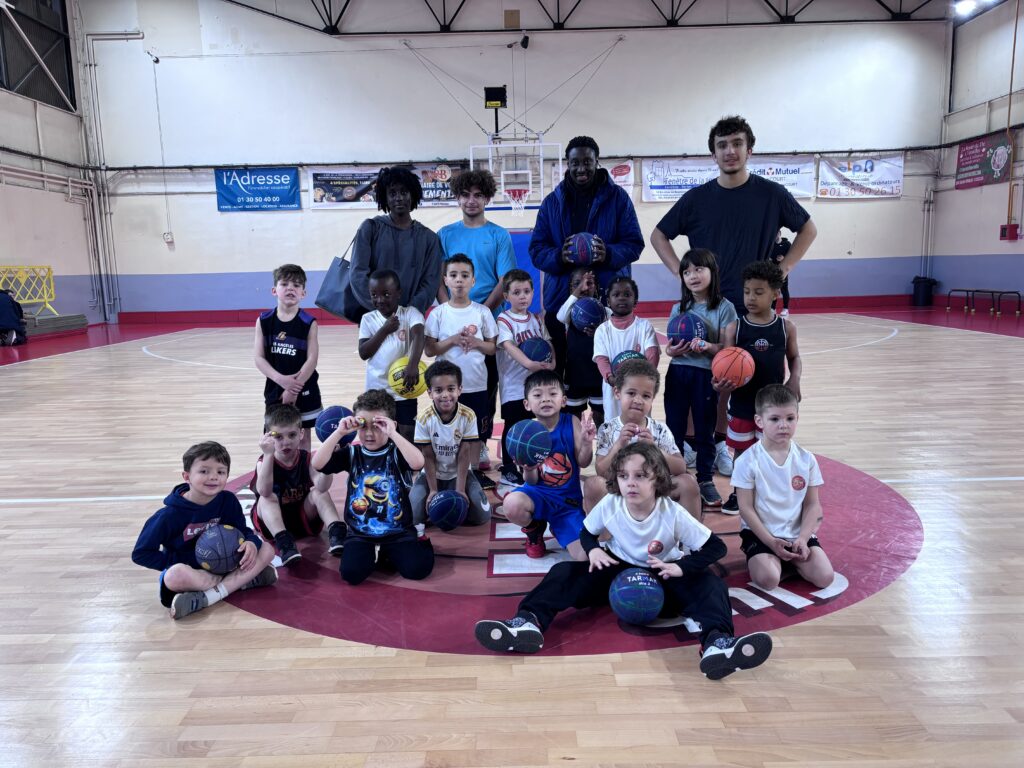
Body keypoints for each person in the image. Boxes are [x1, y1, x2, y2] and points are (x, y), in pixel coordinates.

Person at [475, 442, 773, 680]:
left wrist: (680, 566)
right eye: (624, 476)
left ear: (657, 479)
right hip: (615, 572)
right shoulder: (612, 503)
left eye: (640, 476)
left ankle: (717, 644)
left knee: (710, 584)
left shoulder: (671, 512)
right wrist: (593, 550)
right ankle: (528, 622)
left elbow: (715, 547)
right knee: (564, 571)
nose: (631, 483)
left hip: (662, 574)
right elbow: (587, 532)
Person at [650, 116, 816, 474]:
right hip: (705, 305)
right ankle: (695, 444)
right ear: (713, 154)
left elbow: (808, 229)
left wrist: (783, 269)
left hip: (752, 305)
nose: (730, 151)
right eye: (722, 145)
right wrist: (681, 273)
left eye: (737, 143)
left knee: (736, 378)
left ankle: (724, 443)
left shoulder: (772, 194)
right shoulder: (696, 199)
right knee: (699, 375)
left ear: (749, 149)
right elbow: (658, 235)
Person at [529, 136, 644, 381]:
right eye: (575, 163)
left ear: (596, 162)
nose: (581, 168)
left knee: (607, 377)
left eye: (587, 162)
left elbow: (634, 244)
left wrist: (608, 253)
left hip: (606, 303)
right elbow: (536, 250)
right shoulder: (551, 203)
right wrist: (559, 256)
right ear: (567, 164)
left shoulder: (618, 199)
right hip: (561, 303)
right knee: (560, 376)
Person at [131, 441, 278, 620]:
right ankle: (241, 582)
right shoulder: (168, 515)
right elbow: (141, 553)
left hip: (227, 565)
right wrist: (187, 560)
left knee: (267, 549)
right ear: (187, 476)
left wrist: (251, 543)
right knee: (174, 575)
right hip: (194, 574)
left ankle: (208, 596)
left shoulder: (227, 501)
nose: (213, 477)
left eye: (220, 472)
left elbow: (243, 530)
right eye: (204, 471)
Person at [437, 169, 518, 473]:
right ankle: (448, 439)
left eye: (478, 195)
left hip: (488, 320)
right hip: (452, 322)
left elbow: (504, 278)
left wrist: (479, 313)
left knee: (486, 385)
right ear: (457, 198)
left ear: (487, 198)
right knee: (451, 381)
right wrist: (449, 311)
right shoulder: (445, 234)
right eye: (465, 195)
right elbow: (438, 278)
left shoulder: (498, 235)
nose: (471, 201)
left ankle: (481, 440)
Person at [311, 389, 433, 585]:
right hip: (360, 534)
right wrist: (339, 432)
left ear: (390, 425)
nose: (369, 433)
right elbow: (317, 464)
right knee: (351, 574)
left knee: (417, 570)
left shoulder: (396, 452)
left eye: (377, 426)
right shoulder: (352, 453)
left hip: (398, 532)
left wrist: (393, 433)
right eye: (363, 426)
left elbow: (418, 462)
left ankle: (418, 540)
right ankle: (380, 554)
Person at [718, 260, 802, 513]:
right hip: (742, 403)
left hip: (773, 405)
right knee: (741, 453)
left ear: (775, 294)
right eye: (747, 292)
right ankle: (738, 493)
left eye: (758, 292)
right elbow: (724, 364)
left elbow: (794, 357)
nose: (751, 298)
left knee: (773, 449)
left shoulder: (786, 328)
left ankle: (770, 494)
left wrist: (795, 379)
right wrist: (720, 383)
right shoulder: (735, 328)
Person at [733, 384, 833, 592]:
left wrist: (803, 538)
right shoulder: (747, 461)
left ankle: (788, 561)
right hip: (762, 534)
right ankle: (773, 561)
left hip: (796, 534)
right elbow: (745, 508)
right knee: (768, 580)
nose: (783, 425)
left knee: (825, 577)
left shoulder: (806, 459)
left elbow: (813, 505)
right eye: (774, 419)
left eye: (790, 418)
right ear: (759, 421)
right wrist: (770, 542)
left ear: (797, 418)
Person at [663, 249, 738, 508]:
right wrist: (672, 351)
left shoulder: (725, 308)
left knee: (705, 429)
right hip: (677, 372)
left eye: (698, 269)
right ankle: (673, 477)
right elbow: (669, 347)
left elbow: (727, 349)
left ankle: (705, 479)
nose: (692, 276)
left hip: (706, 374)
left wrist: (707, 346)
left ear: (712, 272)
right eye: (687, 272)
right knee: (673, 428)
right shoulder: (679, 308)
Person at [585, 359, 701, 520]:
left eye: (646, 396)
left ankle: (691, 535)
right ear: (617, 393)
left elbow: (680, 467)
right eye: (631, 393)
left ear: (652, 399)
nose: (638, 400)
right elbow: (601, 471)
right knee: (593, 484)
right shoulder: (607, 429)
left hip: (654, 492)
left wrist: (655, 448)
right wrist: (619, 444)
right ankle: (602, 536)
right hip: (620, 491)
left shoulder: (659, 429)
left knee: (688, 482)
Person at [499, 370, 597, 560]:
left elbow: (583, 462)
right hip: (538, 495)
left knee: (584, 556)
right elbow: (531, 481)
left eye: (552, 393)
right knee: (511, 504)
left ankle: (558, 526)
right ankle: (534, 529)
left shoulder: (572, 422)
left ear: (563, 400)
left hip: (567, 503)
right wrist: (528, 469)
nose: (545, 399)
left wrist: (586, 443)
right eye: (538, 395)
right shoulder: (525, 432)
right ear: (527, 404)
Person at [424, 254, 498, 484]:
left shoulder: (482, 312)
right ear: (445, 280)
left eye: (465, 275)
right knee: (447, 428)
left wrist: (476, 342)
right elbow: (430, 349)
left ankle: (473, 472)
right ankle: (446, 472)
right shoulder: (438, 313)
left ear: (473, 281)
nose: (459, 280)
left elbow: (492, 348)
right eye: (453, 275)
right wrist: (454, 340)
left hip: (476, 384)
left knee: (475, 431)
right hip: (446, 388)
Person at [250, 404, 346, 566]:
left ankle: (337, 533)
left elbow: (323, 487)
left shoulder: (306, 458)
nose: (286, 442)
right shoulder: (264, 461)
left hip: (303, 516)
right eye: (278, 437)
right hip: (273, 523)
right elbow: (264, 491)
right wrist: (268, 454)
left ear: (301, 434)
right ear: (268, 437)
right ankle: (285, 544)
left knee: (319, 492)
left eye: (292, 435)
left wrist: (328, 465)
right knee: (267, 498)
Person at [349, 166, 442, 317]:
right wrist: (380, 308)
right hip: (375, 317)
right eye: (392, 193)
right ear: (384, 197)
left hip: (412, 317)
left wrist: (409, 312)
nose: (398, 197)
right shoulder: (370, 228)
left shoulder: (429, 238)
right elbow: (357, 274)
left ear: (413, 194)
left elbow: (430, 281)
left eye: (404, 192)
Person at [410, 360, 491, 528]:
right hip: (432, 475)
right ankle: (424, 495)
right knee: (413, 517)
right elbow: (428, 456)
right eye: (438, 390)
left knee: (482, 516)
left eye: (451, 389)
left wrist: (460, 490)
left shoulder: (468, 415)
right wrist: (433, 490)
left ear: (459, 390)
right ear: (430, 393)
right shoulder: (423, 419)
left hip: (458, 474)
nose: (445, 395)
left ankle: (451, 504)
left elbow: (464, 454)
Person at [494, 269, 554, 489]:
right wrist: (529, 364)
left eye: (527, 291)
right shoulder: (504, 320)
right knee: (513, 427)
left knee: (535, 425)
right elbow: (509, 346)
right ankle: (508, 468)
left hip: (534, 386)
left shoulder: (536, 319)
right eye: (517, 292)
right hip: (513, 385)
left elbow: (547, 342)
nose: (522, 296)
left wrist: (552, 363)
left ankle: (532, 462)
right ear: (506, 296)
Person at [253, 264, 322, 451]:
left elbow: (312, 359)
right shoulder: (264, 321)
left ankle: (303, 469)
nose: (291, 288)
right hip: (275, 387)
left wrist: (293, 388)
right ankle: (274, 467)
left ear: (303, 293)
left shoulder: (309, 322)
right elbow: (258, 358)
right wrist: (281, 380)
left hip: (305, 387)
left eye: (297, 285)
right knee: (273, 435)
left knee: (303, 437)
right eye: (284, 284)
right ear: (274, 290)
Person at [357, 269, 425, 441]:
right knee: (379, 433)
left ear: (398, 293)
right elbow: (364, 352)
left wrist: (413, 365)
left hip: (405, 387)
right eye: (374, 295)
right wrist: (385, 329)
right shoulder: (368, 319)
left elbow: (419, 335)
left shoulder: (410, 313)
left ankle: (406, 459)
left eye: (386, 294)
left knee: (407, 433)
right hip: (377, 389)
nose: (380, 300)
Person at [592, 276, 659, 422]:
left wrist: (644, 379)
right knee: (615, 425)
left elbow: (653, 354)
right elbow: (601, 359)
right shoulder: (603, 330)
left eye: (627, 294)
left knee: (641, 426)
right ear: (608, 301)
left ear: (635, 301)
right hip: (614, 389)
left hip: (640, 388)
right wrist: (611, 379)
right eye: (616, 295)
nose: (621, 298)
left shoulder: (644, 326)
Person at [556, 267, 610, 428]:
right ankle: (575, 443)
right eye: (578, 284)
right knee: (573, 417)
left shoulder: (606, 312)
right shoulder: (569, 312)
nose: (584, 287)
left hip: (598, 374)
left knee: (601, 415)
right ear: (571, 288)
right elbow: (559, 316)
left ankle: (603, 443)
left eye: (589, 283)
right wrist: (577, 291)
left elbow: (612, 336)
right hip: (575, 373)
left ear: (597, 287)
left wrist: (599, 332)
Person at [772, 231, 792, 316]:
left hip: (783, 270)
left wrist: (784, 258)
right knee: (774, 289)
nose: (775, 235)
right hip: (773, 270)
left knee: (784, 289)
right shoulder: (771, 244)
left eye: (776, 233)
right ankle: (773, 309)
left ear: (780, 233)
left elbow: (791, 256)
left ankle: (785, 309)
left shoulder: (787, 244)